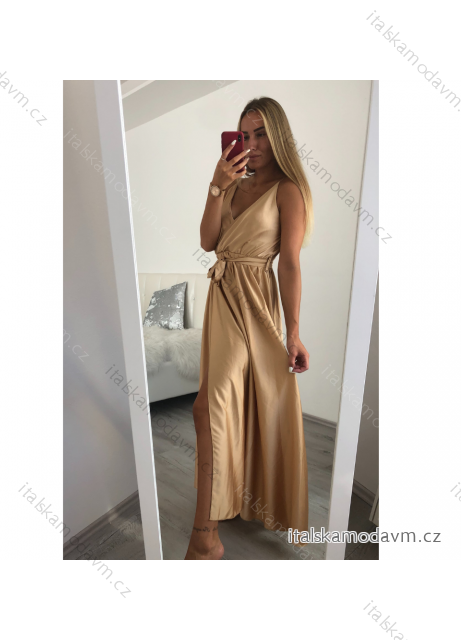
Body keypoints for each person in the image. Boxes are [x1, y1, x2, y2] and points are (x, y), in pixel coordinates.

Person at [185, 97, 314, 560]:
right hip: (221, 296)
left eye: (261, 134)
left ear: (278, 137)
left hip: (256, 303)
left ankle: (205, 537)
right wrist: (216, 186)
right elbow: (208, 242)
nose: (252, 144)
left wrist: (293, 332)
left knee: (211, 406)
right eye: (244, 134)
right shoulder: (231, 184)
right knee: (216, 407)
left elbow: (290, 264)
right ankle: (215, 518)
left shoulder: (288, 190)